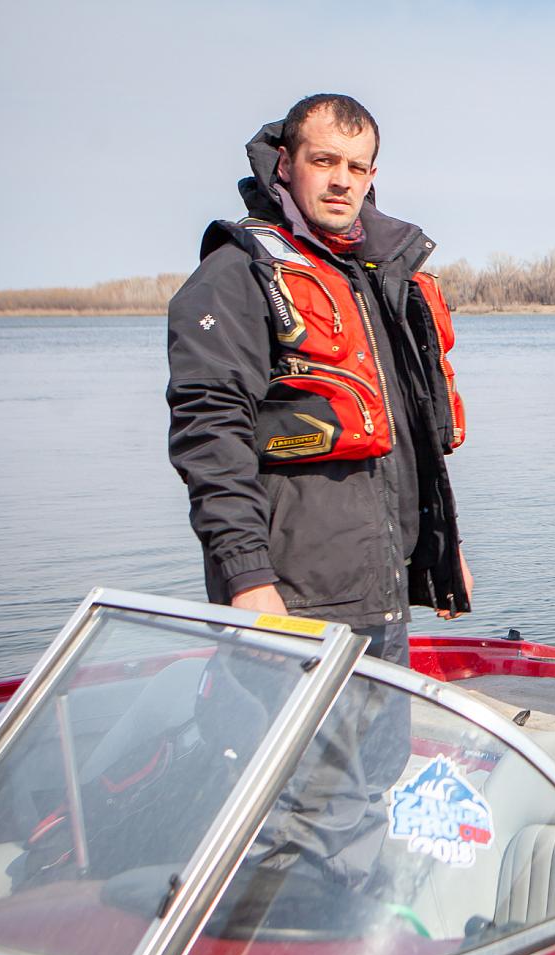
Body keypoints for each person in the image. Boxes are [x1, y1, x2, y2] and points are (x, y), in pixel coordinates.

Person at [166, 93, 470, 882]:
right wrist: (246, 577)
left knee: (372, 784)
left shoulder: (375, 275)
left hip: (380, 586)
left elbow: (408, 434)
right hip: (293, 591)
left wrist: (441, 551)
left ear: (374, 176)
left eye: (357, 167)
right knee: (308, 803)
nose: (342, 181)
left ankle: (340, 933)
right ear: (287, 164)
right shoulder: (238, 275)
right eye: (325, 162)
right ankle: (276, 949)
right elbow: (208, 433)